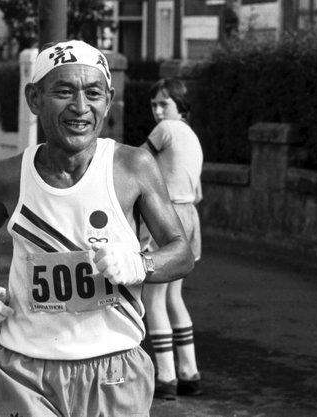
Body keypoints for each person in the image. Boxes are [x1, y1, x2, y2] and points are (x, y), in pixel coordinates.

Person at [0, 40, 196, 417]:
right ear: (34, 98)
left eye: (93, 93)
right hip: (26, 365)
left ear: (109, 99)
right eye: (64, 91)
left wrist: (139, 265)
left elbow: (180, 252)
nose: (80, 107)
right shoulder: (8, 176)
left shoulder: (132, 167)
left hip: (114, 367)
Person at [140, 78, 204, 399]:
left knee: (153, 299)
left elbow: (135, 164)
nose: (157, 110)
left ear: (180, 106)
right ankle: (189, 372)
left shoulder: (165, 130)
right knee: (174, 298)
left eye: (164, 103)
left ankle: (165, 377)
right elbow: (199, 191)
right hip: (190, 216)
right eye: (154, 104)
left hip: (167, 217)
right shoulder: (192, 137)